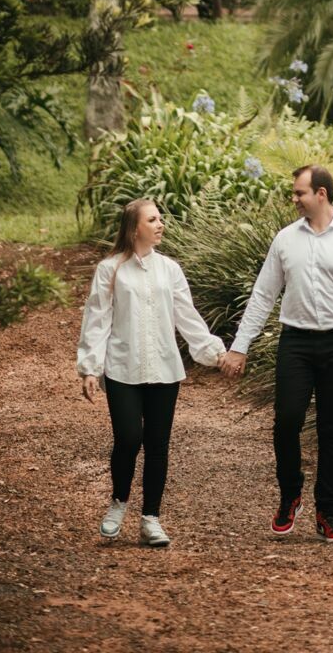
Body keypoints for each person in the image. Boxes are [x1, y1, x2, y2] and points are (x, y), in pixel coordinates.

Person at [220, 164, 333, 544]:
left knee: (332, 430)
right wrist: (239, 347)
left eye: (299, 193)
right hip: (295, 341)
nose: (294, 199)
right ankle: (290, 494)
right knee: (287, 421)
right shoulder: (285, 240)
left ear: (321, 194)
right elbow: (264, 294)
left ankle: (328, 513)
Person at [77, 197, 225, 546]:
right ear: (134, 228)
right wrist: (89, 368)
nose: (160, 225)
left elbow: (185, 315)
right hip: (122, 368)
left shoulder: (170, 269)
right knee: (128, 439)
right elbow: (97, 320)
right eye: (153, 219)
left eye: (161, 219)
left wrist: (214, 352)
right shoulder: (110, 269)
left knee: (158, 445)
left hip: (164, 368)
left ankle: (151, 519)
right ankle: (118, 503)